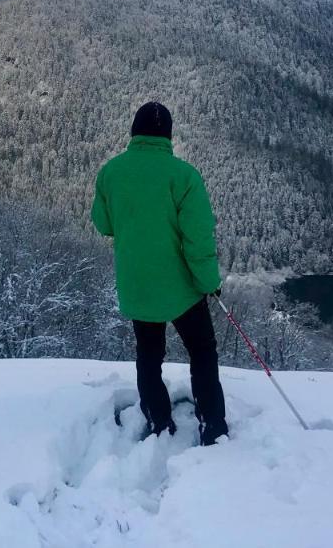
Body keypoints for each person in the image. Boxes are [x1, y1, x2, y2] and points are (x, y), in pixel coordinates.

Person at [90, 101, 229, 445]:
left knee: (148, 356)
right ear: (168, 135)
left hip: (137, 285)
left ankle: (159, 421)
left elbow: (103, 223)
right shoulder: (184, 176)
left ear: (134, 132)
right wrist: (209, 283)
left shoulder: (111, 172)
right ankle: (212, 425)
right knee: (202, 351)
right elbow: (197, 240)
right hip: (182, 289)